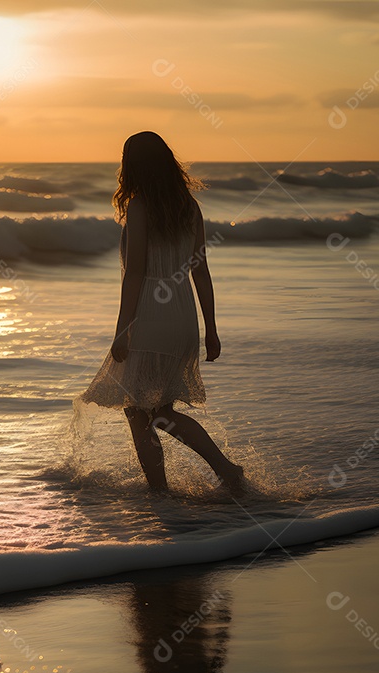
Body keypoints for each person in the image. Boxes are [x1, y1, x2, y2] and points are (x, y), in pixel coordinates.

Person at [80, 131, 245, 495]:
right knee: (159, 412)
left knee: (141, 412)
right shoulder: (189, 206)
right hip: (183, 316)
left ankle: (170, 490)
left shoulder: (139, 207)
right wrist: (211, 330)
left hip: (151, 317)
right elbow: (200, 271)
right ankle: (220, 472)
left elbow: (136, 273)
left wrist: (122, 331)